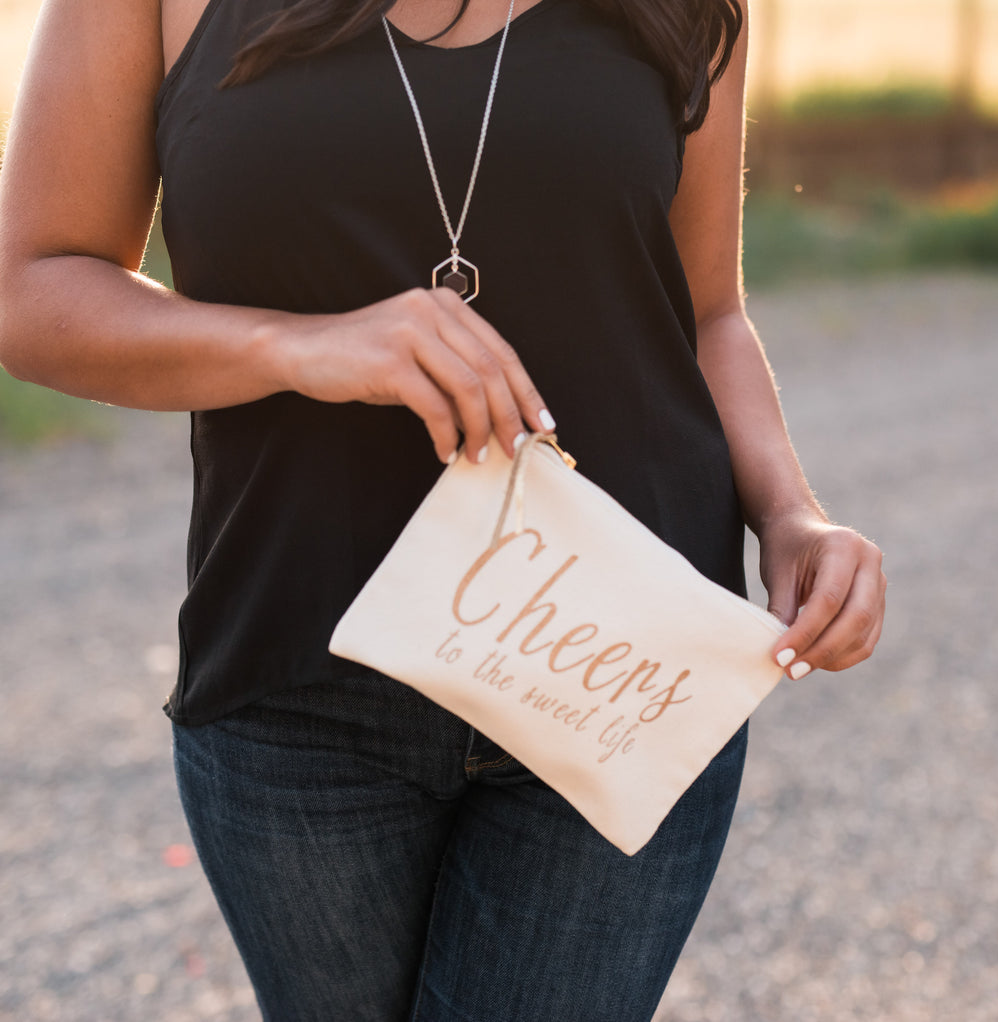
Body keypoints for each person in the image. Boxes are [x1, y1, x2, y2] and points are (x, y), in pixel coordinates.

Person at [0, 0, 886, 1018]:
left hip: (620, 666)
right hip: (298, 670)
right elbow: (36, 293)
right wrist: (299, 346)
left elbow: (709, 311)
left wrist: (789, 510)